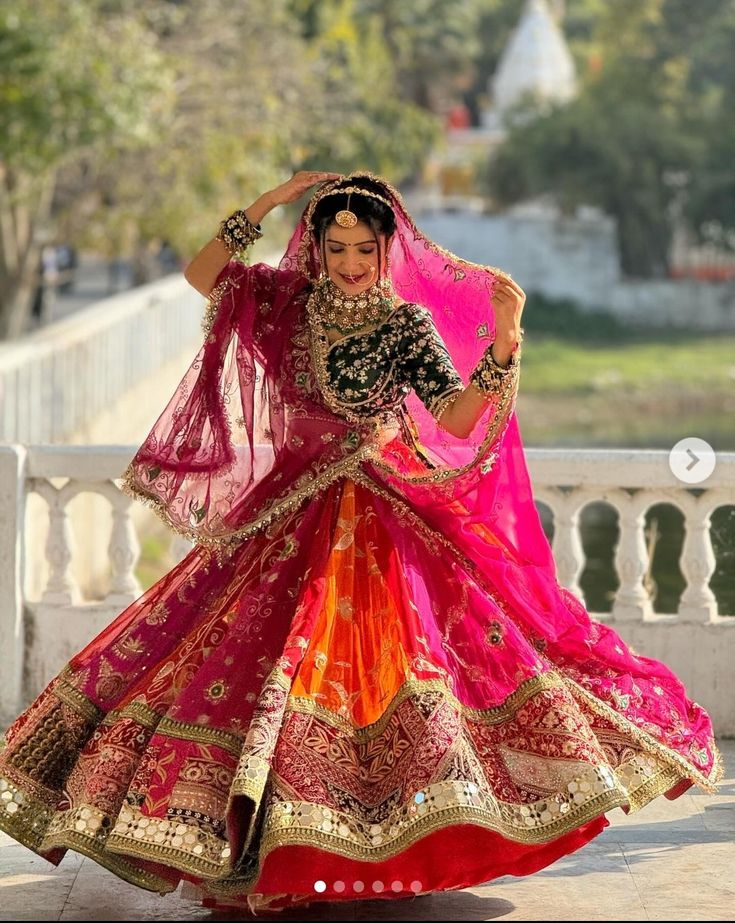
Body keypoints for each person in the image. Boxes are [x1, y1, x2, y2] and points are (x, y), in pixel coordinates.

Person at [0, 170, 721, 915]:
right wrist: (267, 205)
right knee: (251, 667)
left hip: (386, 509)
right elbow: (203, 273)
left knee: (394, 667)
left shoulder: (405, 323)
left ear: (387, 249)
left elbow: (459, 414)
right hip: (288, 510)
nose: (349, 261)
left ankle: (380, 848)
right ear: (313, 246)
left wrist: (504, 342)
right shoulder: (280, 306)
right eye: (335, 245)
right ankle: (267, 855)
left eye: (364, 248)